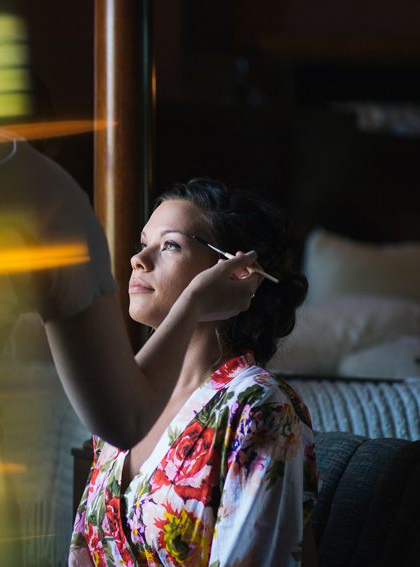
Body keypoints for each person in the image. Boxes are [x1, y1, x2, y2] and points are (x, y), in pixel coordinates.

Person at [60, 178, 319, 566]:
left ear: (236, 272)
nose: (139, 259)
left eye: (170, 245)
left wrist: (196, 299)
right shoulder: (124, 405)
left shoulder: (257, 406)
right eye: (142, 243)